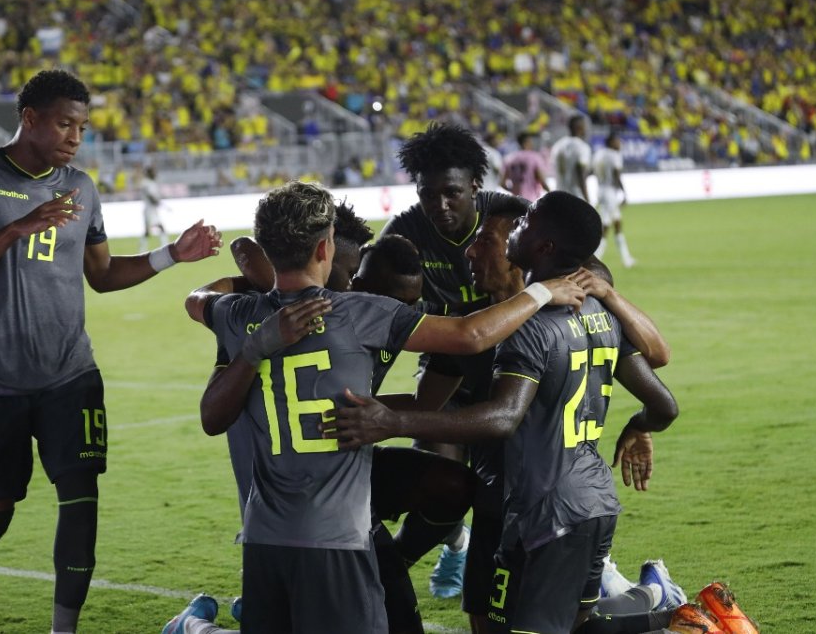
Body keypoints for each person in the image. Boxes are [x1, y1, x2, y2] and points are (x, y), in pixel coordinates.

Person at [183, 181, 584, 634]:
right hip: (335, 537)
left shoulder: (239, 315)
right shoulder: (356, 313)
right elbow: (469, 335)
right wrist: (544, 292)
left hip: (263, 538)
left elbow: (196, 300)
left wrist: (257, 327)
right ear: (324, 248)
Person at [0, 69, 222, 634]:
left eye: (82, 127)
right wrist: (19, 228)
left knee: (81, 498)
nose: (75, 136)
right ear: (30, 118)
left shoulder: (81, 188)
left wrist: (172, 255)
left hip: (71, 374)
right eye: (65, 123)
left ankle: (63, 629)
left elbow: (104, 274)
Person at [328, 192, 684, 634]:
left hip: (542, 507)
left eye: (489, 240)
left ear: (536, 249)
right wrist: (361, 410)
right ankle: (660, 604)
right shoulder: (589, 311)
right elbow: (663, 402)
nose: (472, 251)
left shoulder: (525, 326)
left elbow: (502, 416)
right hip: (552, 500)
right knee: (569, 626)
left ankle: (679, 620)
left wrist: (391, 423)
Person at [381, 121, 530, 598]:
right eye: (428, 195)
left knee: (516, 491)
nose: (439, 206)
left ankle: (585, 565)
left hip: (517, 371)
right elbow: (368, 287)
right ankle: (428, 552)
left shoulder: (511, 216)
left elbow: (574, 254)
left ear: (475, 188)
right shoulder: (405, 232)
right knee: (447, 482)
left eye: (452, 193)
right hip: (446, 373)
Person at [592, 131, 636, 267]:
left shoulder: (599, 154)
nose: (619, 144)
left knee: (616, 223)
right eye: (617, 141)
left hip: (600, 189)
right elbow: (616, 174)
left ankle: (626, 258)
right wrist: (624, 193)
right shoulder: (614, 155)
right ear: (611, 142)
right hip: (610, 192)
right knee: (606, 225)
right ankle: (596, 259)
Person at [551, 115, 593, 202]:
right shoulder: (582, 146)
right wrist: (587, 199)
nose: (586, 129)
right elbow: (580, 173)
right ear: (579, 128)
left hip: (558, 195)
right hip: (575, 196)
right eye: (584, 126)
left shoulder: (557, 145)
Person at [500, 132, 549, 201]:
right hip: (531, 200)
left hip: (516, 200)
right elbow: (541, 180)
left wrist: (513, 190)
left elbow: (502, 183)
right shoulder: (534, 157)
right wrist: (551, 192)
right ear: (527, 142)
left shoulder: (509, 159)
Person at [138, 164, 168, 250]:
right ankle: (142, 249)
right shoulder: (146, 183)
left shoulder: (152, 183)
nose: (155, 173)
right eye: (153, 172)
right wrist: (157, 202)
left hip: (153, 210)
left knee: (160, 228)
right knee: (148, 231)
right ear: (149, 173)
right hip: (149, 210)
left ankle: (164, 246)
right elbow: (150, 196)